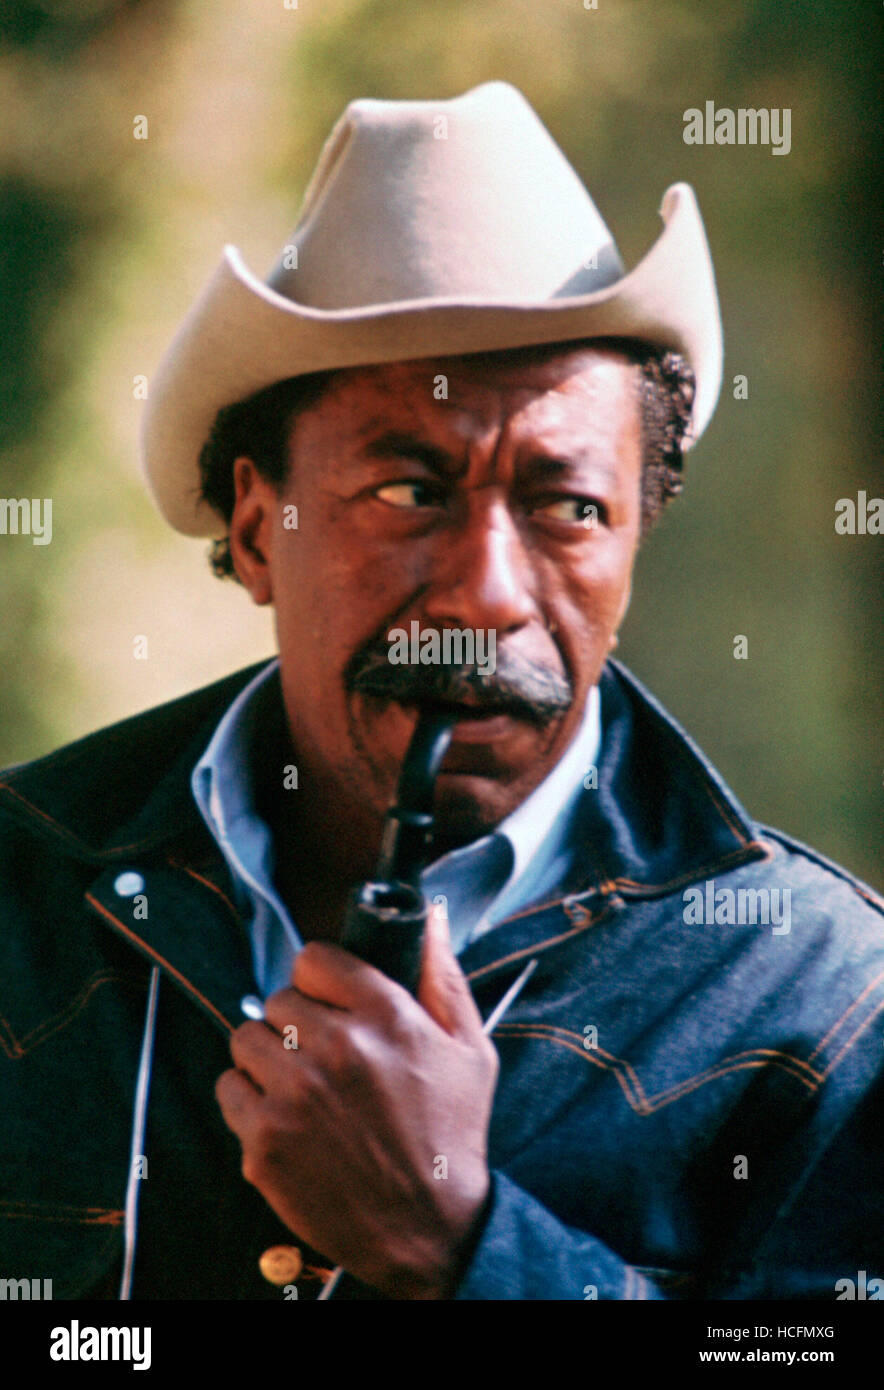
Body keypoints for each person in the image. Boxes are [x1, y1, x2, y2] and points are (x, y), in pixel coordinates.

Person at [1, 82, 881, 1302]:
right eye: (410, 491)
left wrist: (459, 1242)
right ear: (259, 530)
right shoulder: (20, 894)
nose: (484, 594)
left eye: (566, 507)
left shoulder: (819, 999)